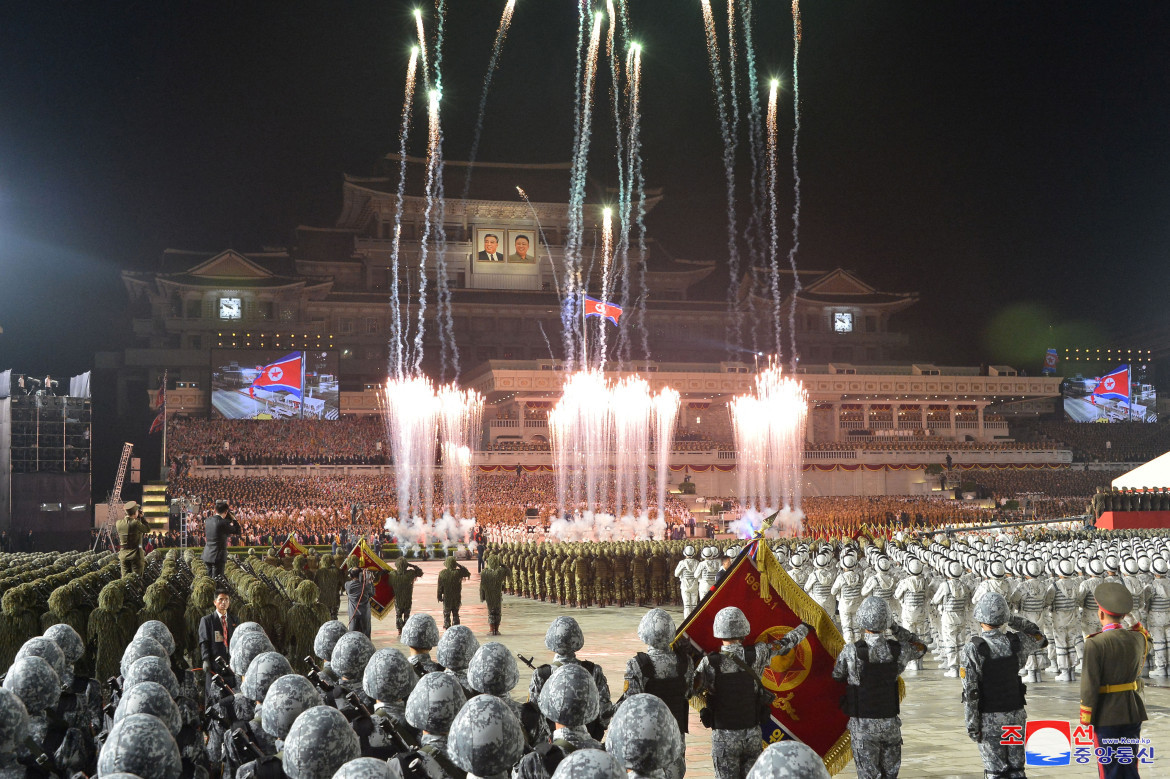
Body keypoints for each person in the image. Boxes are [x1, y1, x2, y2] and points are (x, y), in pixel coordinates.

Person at [692, 606, 810, 779]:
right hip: (752, 736)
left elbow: (691, 690)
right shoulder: (758, 654)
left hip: (724, 739)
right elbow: (785, 644)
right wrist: (805, 627)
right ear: (744, 629)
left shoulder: (709, 663)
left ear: (718, 630)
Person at [833, 596, 926, 779]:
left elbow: (837, 675)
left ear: (861, 619)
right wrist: (896, 629)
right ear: (886, 622)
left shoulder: (851, 651)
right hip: (890, 725)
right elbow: (921, 647)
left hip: (863, 727)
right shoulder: (898, 650)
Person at [960, 593, 1047, 779]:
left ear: (980, 618)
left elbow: (971, 692)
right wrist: (1012, 619)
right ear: (1004, 618)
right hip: (1015, 716)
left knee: (996, 772)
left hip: (989, 719)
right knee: (1017, 771)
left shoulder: (973, 648)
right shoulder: (1016, 642)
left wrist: (972, 724)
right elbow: (1040, 638)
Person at [1080, 581, 1150, 779]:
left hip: (1106, 713)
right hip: (1131, 710)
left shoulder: (1095, 643)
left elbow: (1089, 684)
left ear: (1100, 614)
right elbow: (1148, 640)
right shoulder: (1137, 639)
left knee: (1109, 768)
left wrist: (1086, 716)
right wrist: (1135, 623)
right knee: (1129, 765)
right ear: (1123, 615)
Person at [197, 588, 239, 704]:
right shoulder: (207, 620)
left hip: (230, 666)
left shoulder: (234, 620)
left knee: (231, 695)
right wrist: (205, 659)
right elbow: (204, 642)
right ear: (215, 602)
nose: (224, 602)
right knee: (213, 697)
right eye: (221, 600)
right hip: (214, 666)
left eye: (226, 599)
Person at [202, 500, 241, 581]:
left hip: (207, 554)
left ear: (215, 510)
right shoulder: (223, 523)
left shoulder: (208, 520)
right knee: (217, 581)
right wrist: (233, 519)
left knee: (209, 581)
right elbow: (237, 531)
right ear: (226, 511)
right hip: (218, 556)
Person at [115, 501, 149, 577]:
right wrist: (142, 517)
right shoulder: (136, 523)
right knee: (136, 581)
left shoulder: (118, 523)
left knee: (124, 580)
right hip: (135, 554)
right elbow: (147, 529)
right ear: (135, 512)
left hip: (123, 554)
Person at [437, 555, 471, 629]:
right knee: (455, 614)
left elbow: (440, 586)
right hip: (456, 597)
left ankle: (447, 629)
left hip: (447, 597)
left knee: (446, 614)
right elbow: (467, 573)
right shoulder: (458, 572)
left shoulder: (442, 573)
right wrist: (459, 565)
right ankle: (455, 629)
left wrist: (439, 596)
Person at [345, 566, 376, 638]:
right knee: (366, 635)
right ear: (360, 575)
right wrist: (370, 581)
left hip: (353, 613)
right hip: (364, 614)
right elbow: (372, 593)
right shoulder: (366, 586)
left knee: (352, 635)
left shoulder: (348, 585)